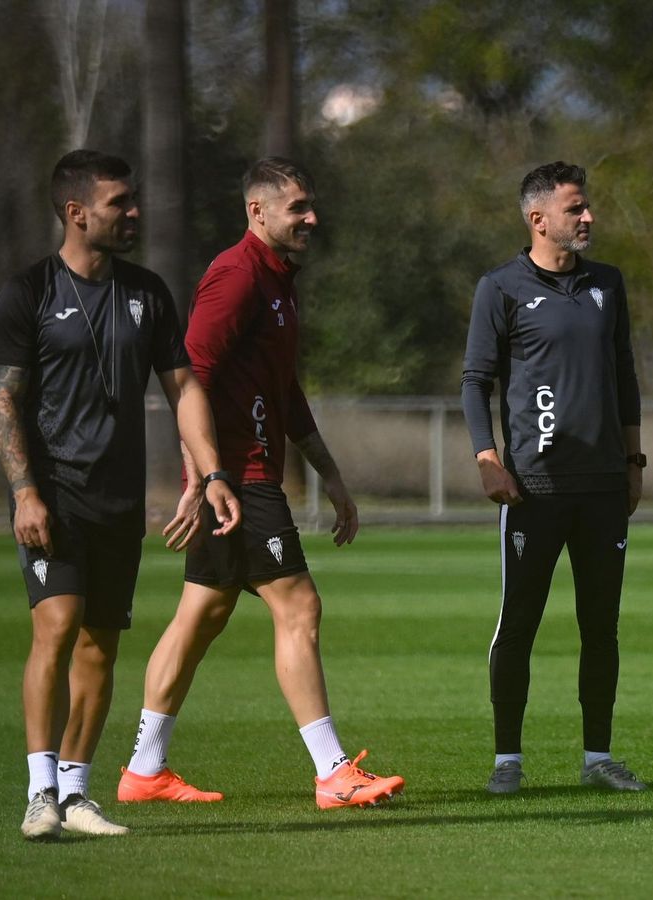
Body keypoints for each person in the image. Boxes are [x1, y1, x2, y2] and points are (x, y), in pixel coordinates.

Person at [117, 157, 405, 810]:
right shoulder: (237, 274)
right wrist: (205, 476)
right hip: (238, 478)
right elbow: (188, 378)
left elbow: (284, 389)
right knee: (299, 608)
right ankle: (333, 771)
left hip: (242, 474)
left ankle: (143, 769)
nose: (312, 218)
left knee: (203, 613)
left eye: (311, 206)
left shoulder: (279, 281)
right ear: (258, 212)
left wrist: (328, 472)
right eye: (298, 207)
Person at [0, 149, 241, 840]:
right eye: (118, 203)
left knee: (100, 646)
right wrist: (24, 493)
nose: (133, 213)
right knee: (58, 625)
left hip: (120, 500)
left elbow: (184, 387)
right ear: (76, 213)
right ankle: (39, 793)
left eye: (133, 201)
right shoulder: (27, 292)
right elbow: (3, 399)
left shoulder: (148, 292)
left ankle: (76, 795)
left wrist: (211, 471)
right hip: (54, 495)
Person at [461, 161, 645, 795]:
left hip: (602, 489)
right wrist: (488, 458)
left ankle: (599, 757)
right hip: (533, 488)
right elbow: (475, 382)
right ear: (538, 219)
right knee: (519, 625)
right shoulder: (501, 288)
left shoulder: (608, 285)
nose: (588, 216)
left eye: (587, 206)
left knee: (602, 627)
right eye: (576, 208)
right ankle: (507, 760)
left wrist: (633, 460)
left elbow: (624, 375)